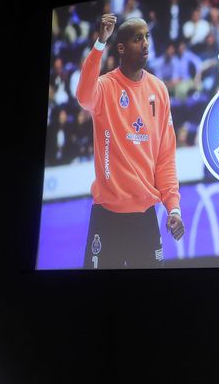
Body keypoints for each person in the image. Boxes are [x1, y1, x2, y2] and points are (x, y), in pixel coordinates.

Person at [76, 13, 185, 269]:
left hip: (145, 219)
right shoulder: (104, 87)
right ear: (122, 48)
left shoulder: (159, 90)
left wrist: (174, 209)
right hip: (106, 215)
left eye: (147, 36)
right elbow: (83, 97)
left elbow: (165, 158)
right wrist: (100, 43)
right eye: (138, 38)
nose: (146, 43)